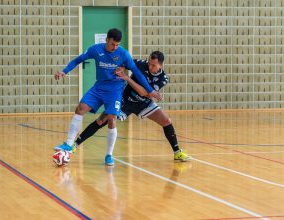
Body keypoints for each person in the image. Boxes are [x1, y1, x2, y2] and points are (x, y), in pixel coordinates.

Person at [53, 28, 161, 166]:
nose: (115, 47)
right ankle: (68, 144)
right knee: (80, 108)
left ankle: (109, 155)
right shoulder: (96, 50)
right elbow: (78, 60)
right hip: (99, 87)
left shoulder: (123, 54)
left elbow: (136, 72)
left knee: (111, 119)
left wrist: (150, 90)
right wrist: (64, 72)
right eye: (112, 44)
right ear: (106, 40)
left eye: (117, 45)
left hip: (114, 90)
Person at [71, 51, 192, 163]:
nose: (150, 67)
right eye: (149, 63)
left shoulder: (163, 78)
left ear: (161, 65)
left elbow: (144, 93)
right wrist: (122, 68)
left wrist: (127, 78)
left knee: (166, 120)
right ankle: (75, 144)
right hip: (125, 100)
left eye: (153, 65)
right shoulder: (140, 63)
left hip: (143, 103)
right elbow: (124, 62)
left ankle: (177, 152)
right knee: (102, 120)